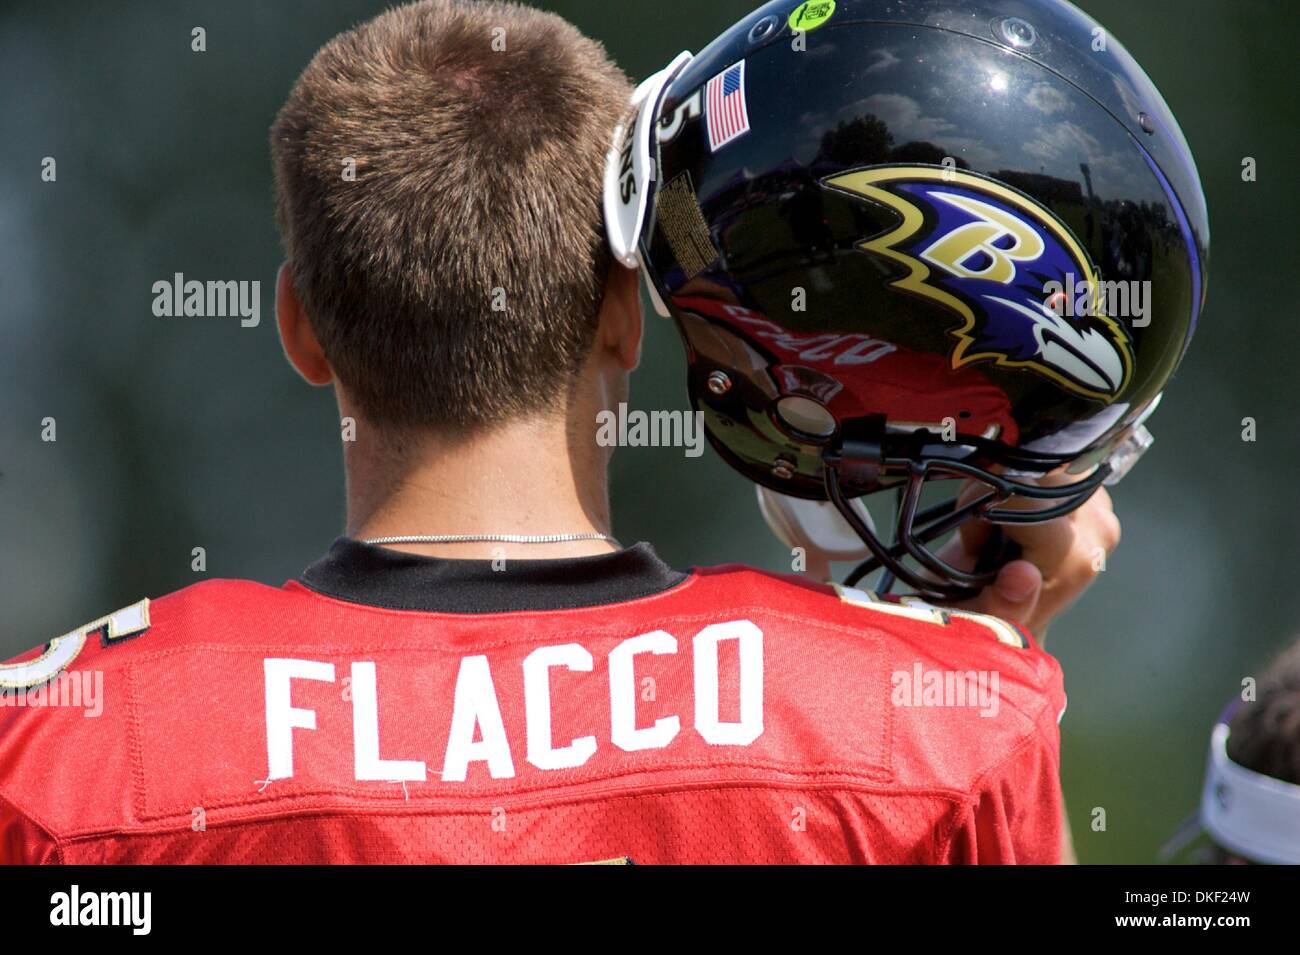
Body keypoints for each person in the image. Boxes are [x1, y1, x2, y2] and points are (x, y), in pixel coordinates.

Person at [0, 0, 1181, 864]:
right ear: (627, 310)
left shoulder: (57, 746)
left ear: (301, 329)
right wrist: (970, 677)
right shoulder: (930, 734)